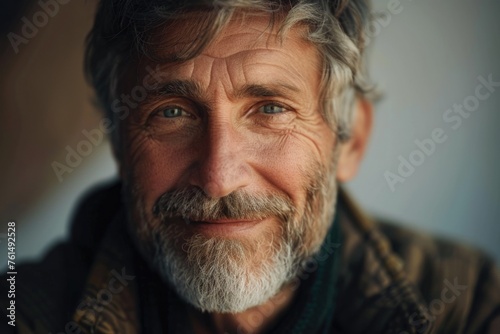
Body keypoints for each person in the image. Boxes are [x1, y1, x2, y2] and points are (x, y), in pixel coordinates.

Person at [1, 0, 499, 333]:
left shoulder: (472, 306)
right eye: (172, 112)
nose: (219, 176)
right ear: (117, 140)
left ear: (350, 141)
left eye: (271, 109)